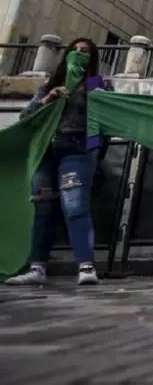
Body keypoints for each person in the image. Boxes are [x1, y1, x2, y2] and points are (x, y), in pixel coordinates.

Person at [6, 38, 112, 286]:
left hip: (78, 150)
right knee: (43, 209)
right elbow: (26, 117)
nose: (78, 55)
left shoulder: (99, 86)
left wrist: (98, 101)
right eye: (74, 51)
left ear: (92, 58)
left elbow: (109, 123)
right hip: (46, 152)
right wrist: (47, 100)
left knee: (75, 207)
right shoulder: (49, 86)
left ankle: (85, 266)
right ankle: (37, 268)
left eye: (84, 52)